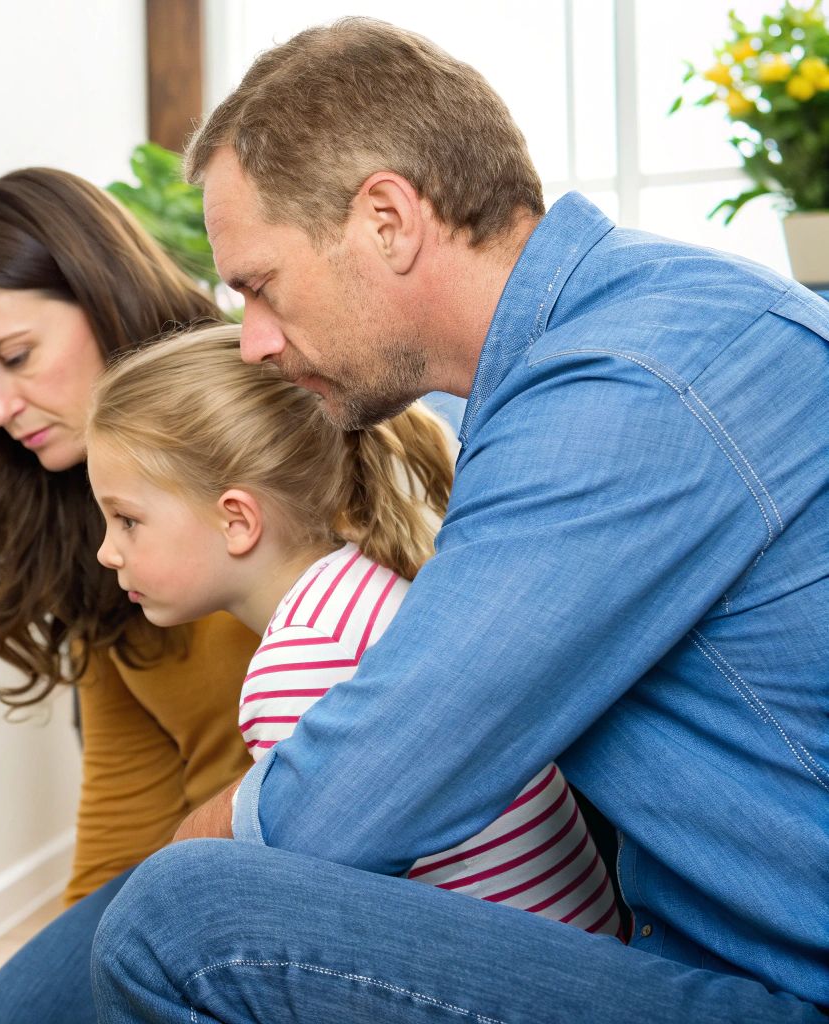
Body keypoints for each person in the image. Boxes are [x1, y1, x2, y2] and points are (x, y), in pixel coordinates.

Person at [91, 18, 829, 1023]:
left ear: (387, 219)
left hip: (787, 984)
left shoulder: (621, 389)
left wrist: (186, 845)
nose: (251, 342)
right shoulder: (621, 328)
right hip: (709, 934)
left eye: (259, 286)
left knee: (178, 916)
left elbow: (346, 804)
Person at [86, 322, 623, 939]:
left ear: (237, 519)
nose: (107, 551)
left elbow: (316, 916)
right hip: (586, 933)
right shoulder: (366, 585)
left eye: (126, 520)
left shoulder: (299, 662)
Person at [0, 167, 259, 1021]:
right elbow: (123, 788)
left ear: (103, 297)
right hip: (184, 877)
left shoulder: (279, 422)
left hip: (293, 865)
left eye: (14, 357)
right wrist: (80, 969)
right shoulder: (77, 515)